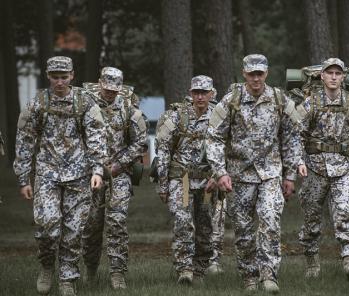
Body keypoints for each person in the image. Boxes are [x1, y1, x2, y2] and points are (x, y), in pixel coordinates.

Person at [206, 54, 301, 293]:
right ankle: (249, 275)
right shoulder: (231, 101)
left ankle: (269, 276)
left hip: (270, 174)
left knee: (270, 221)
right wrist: (220, 172)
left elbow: (292, 137)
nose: (256, 78)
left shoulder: (280, 99)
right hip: (238, 176)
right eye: (252, 74)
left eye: (260, 73)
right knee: (244, 230)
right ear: (244, 73)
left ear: (266, 73)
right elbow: (214, 137)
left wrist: (290, 175)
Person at [13, 56, 107, 296]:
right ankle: (46, 265)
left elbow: (96, 137)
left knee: (74, 231)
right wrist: (24, 177)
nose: (59, 82)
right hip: (48, 175)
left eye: (64, 77)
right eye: (55, 77)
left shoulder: (85, 103)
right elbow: (25, 140)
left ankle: (68, 278)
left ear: (72, 76)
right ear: (48, 76)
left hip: (79, 175)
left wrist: (97, 170)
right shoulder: (38, 104)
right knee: (48, 226)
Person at [295, 58, 349, 279]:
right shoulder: (311, 103)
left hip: (343, 168)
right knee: (311, 219)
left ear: (343, 77)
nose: (334, 77)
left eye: (338, 73)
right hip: (314, 168)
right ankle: (312, 263)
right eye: (330, 73)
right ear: (322, 76)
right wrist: (299, 161)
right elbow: (296, 134)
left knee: (346, 211)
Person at [82, 67, 148, 289]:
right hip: (91, 173)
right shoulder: (85, 105)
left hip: (120, 172)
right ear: (100, 83)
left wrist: (120, 164)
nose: (110, 93)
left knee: (117, 221)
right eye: (107, 88)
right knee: (91, 224)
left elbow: (140, 142)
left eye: (115, 90)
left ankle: (117, 273)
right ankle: (90, 270)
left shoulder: (129, 108)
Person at [156, 75, 217, 284]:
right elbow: (163, 152)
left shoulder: (219, 116)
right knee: (183, 222)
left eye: (204, 92)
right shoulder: (176, 116)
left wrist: (218, 176)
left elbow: (225, 149)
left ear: (211, 93)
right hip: (180, 179)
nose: (200, 96)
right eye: (196, 92)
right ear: (191, 94)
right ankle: (185, 269)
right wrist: (163, 185)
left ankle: (200, 268)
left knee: (206, 225)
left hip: (208, 182)